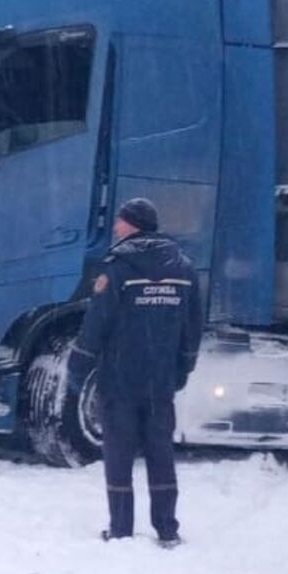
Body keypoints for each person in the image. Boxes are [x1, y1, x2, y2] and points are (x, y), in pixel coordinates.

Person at [69, 198, 203, 548]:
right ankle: (167, 528)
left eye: (121, 221)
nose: (115, 226)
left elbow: (96, 323)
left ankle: (121, 528)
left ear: (133, 225)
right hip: (160, 381)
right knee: (161, 453)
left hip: (120, 378)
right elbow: (193, 325)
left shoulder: (117, 269)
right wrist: (184, 366)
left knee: (119, 454)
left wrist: (78, 365)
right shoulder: (184, 268)